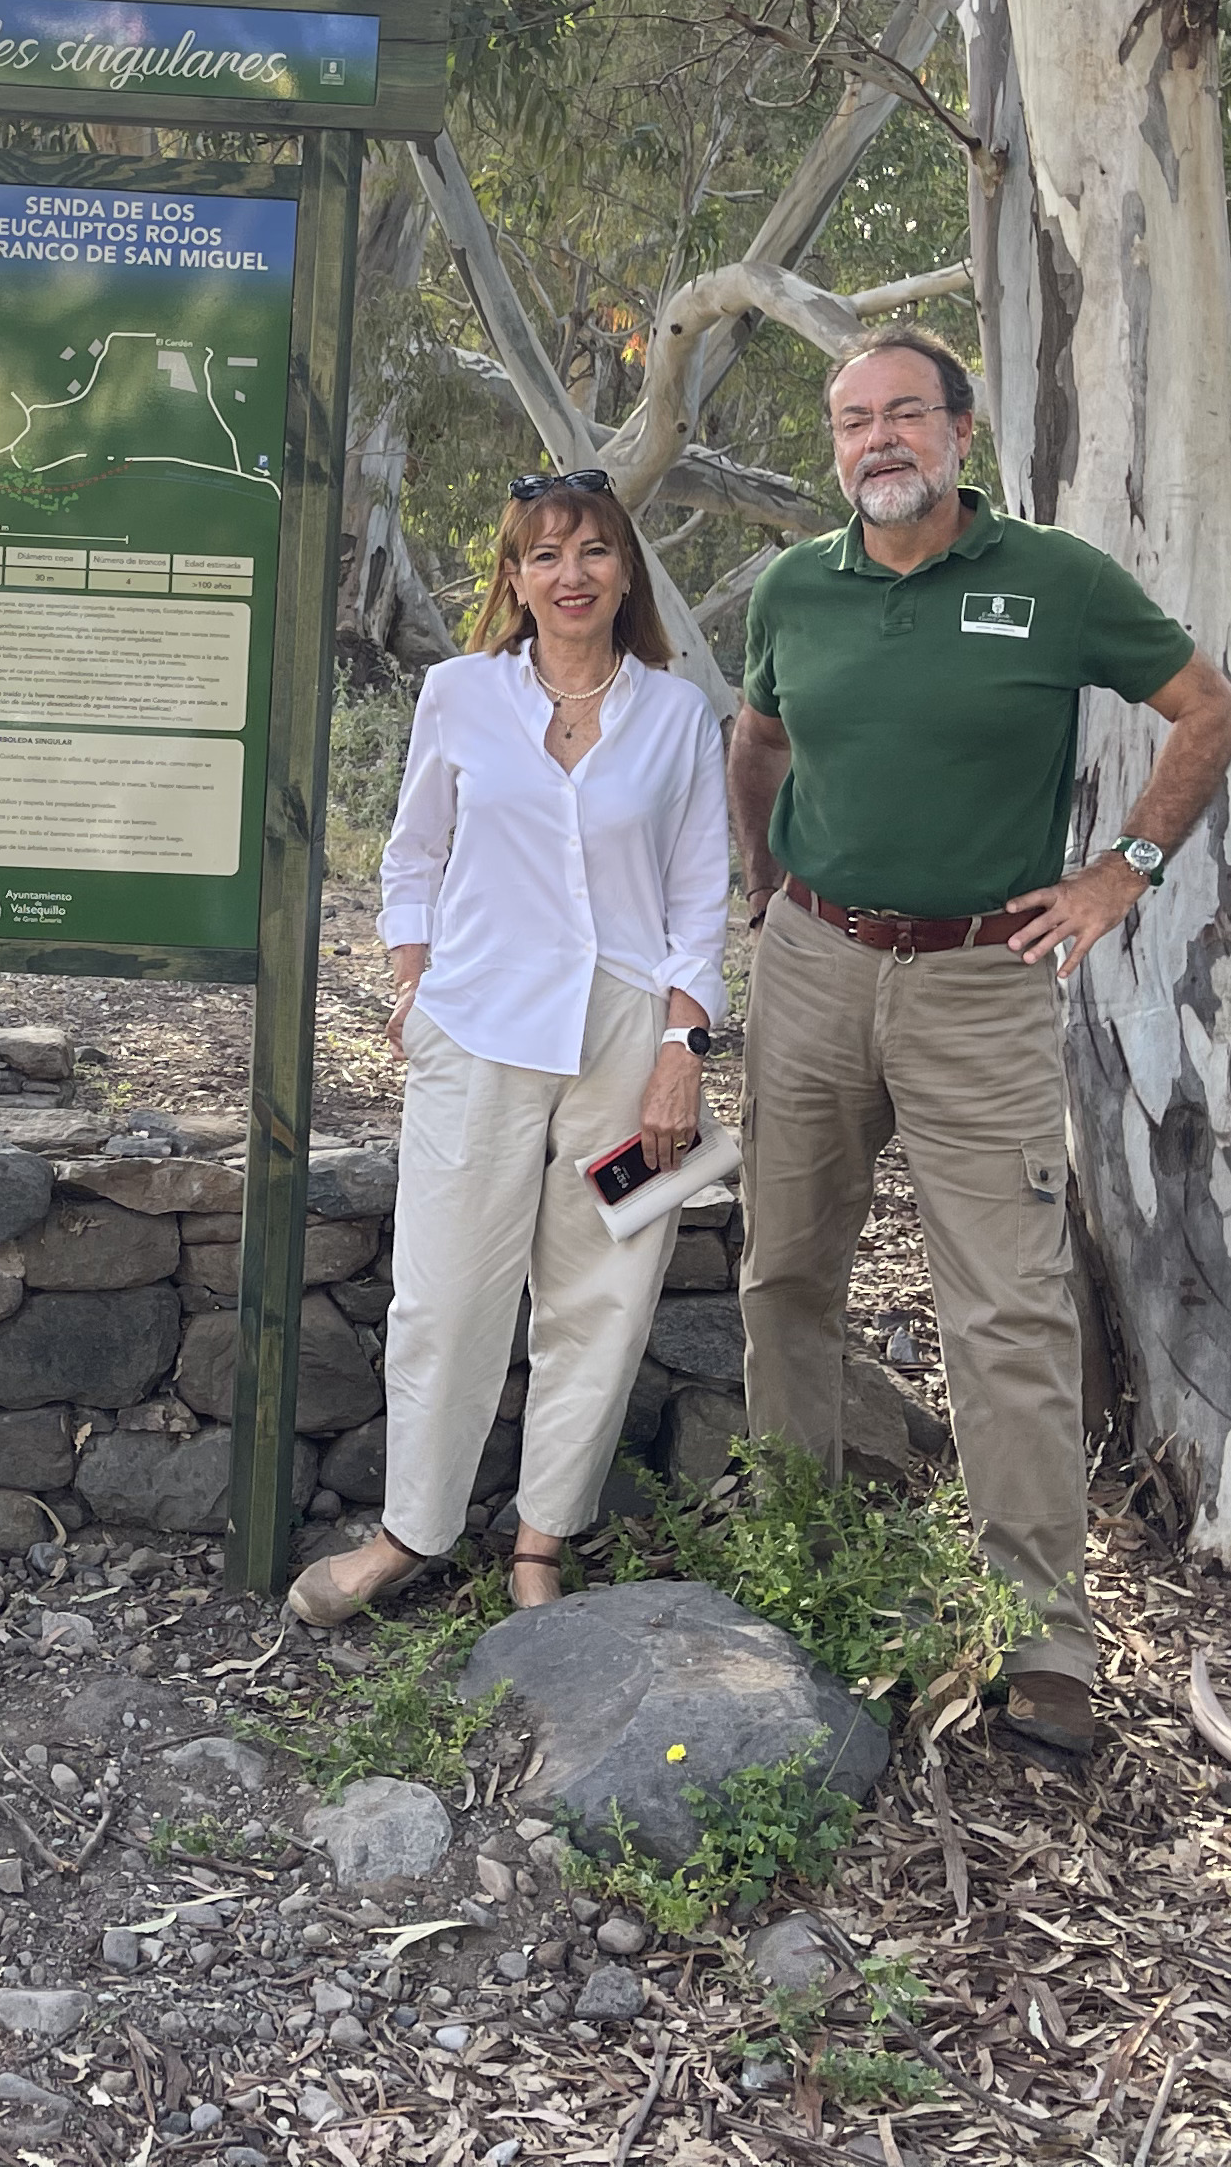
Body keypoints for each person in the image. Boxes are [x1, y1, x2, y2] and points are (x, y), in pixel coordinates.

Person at [728, 329, 1231, 1763]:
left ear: (962, 434)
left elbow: (1210, 712)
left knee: (1007, 1309)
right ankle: (800, 1553)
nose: (877, 440)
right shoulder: (795, 588)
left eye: (905, 414)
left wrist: (1123, 868)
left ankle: (1044, 1639)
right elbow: (757, 744)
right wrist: (767, 885)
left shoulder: (1055, 581)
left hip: (980, 983)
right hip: (817, 965)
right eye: (851, 422)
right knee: (782, 1271)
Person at [292, 471, 732, 1627]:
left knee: (606, 1288)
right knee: (443, 1294)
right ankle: (411, 1532)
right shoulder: (458, 694)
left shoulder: (677, 716)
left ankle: (542, 1542)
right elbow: (411, 855)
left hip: (630, 1036)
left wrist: (685, 1042)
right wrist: (411, 985)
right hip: (478, 1025)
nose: (571, 574)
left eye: (593, 551)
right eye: (545, 555)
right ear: (514, 577)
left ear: (626, 571)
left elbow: (700, 894)